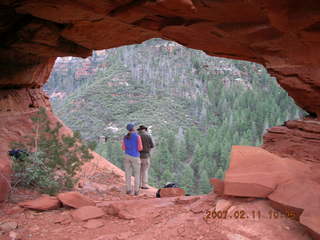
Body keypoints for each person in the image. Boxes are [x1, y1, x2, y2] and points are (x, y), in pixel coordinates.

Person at [122, 123, 143, 195]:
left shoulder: (125, 137)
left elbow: (123, 148)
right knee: (137, 174)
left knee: (128, 174)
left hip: (126, 156)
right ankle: (136, 191)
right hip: (135, 156)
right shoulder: (137, 137)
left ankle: (128, 190)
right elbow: (140, 148)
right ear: (133, 128)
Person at [137, 125, 154, 189]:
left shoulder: (137, 136)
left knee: (138, 170)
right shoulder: (148, 136)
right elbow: (152, 145)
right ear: (145, 129)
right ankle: (144, 185)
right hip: (145, 155)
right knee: (144, 170)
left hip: (137, 155)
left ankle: (138, 184)